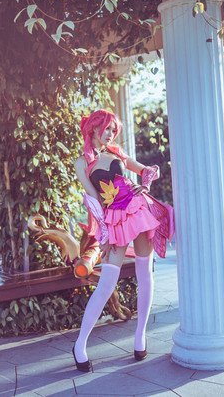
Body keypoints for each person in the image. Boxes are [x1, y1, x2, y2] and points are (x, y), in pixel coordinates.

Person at [72, 109, 174, 372]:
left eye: (113, 130)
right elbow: (94, 200)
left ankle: (140, 337)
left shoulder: (116, 152)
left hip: (138, 209)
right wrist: (104, 234)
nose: (110, 134)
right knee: (106, 283)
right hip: (115, 218)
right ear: (94, 128)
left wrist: (145, 185)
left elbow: (147, 171)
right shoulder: (82, 163)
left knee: (145, 274)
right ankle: (80, 344)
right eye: (106, 128)